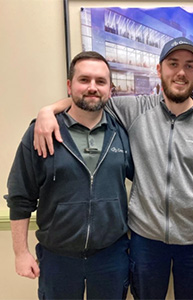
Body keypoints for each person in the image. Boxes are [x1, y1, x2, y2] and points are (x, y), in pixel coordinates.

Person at [32, 37, 193, 300]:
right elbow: (89, 99)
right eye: (173, 64)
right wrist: (48, 111)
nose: (181, 72)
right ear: (159, 70)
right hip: (145, 240)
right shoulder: (133, 109)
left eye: (190, 65)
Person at [4, 51, 134, 300]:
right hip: (57, 258)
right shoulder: (41, 133)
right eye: (84, 80)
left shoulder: (122, 133)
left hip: (111, 256)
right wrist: (21, 253)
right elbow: (20, 198)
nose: (92, 88)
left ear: (110, 89)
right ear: (69, 85)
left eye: (100, 81)